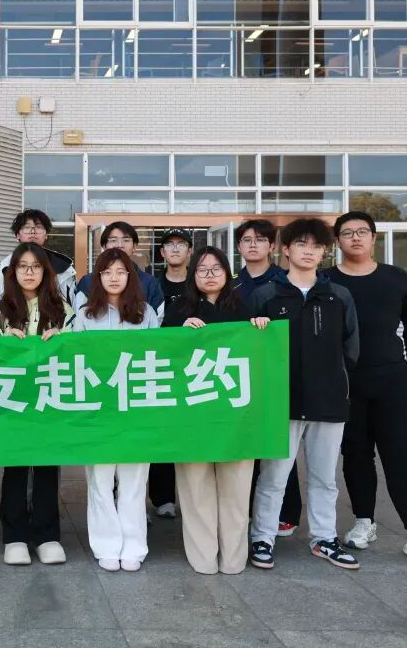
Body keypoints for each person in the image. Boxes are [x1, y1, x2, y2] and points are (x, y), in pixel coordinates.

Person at [329, 211, 407, 570]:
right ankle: (364, 522)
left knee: (400, 456)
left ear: (373, 238)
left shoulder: (396, 278)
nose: (355, 237)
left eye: (361, 232)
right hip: (347, 383)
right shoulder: (327, 281)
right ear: (337, 241)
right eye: (347, 233)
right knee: (355, 454)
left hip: (392, 381)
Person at [248, 218, 360, 571]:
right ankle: (262, 537)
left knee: (325, 477)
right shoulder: (266, 295)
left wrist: (334, 379)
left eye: (316, 246)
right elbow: (250, 349)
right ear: (285, 249)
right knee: (274, 477)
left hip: (329, 401)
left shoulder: (338, 295)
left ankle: (324, 537)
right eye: (301, 244)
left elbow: (351, 347)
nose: (309, 252)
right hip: (281, 402)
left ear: (324, 252)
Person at [163, 246, 264, 575]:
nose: (209, 275)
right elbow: (161, 355)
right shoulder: (179, 308)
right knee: (195, 489)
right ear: (193, 275)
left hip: (236, 418)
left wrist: (261, 327)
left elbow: (262, 354)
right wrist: (179, 333)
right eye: (202, 269)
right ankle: (203, 557)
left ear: (227, 273)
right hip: (192, 415)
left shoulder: (244, 307)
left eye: (216, 269)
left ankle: (234, 557)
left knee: (236, 490)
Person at [0, 242, 74, 566]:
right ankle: (14, 536)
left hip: (50, 398)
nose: (29, 272)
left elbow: (77, 351)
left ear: (45, 272)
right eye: (22, 266)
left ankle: (47, 534)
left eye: (36, 266)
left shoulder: (63, 309)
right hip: (12, 398)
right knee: (15, 466)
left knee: (47, 466)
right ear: (12, 271)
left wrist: (62, 341)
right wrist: (3, 342)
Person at [73, 247, 158, 572]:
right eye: (107, 272)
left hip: (136, 408)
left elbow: (158, 358)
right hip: (99, 410)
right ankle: (106, 545)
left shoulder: (146, 313)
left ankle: (134, 546)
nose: (114, 278)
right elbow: (75, 360)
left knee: (134, 481)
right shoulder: (85, 315)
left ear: (130, 277)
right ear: (98, 277)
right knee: (100, 480)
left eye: (121, 272)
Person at [233, 219, 302, 538]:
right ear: (238, 247)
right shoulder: (233, 285)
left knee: (279, 447)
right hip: (243, 377)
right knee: (248, 444)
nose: (253, 245)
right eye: (246, 240)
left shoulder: (286, 282)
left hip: (278, 374)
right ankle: (250, 511)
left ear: (273, 246)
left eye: (260, 240)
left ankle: (287, 512)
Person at [149, 227, 193, 520]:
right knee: (160, 434)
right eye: (169, 245)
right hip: (160, 368)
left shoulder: (199, 282)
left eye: (181, 244)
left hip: (194, 369)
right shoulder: (152, 285)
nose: (175, 249)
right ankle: (162, 498)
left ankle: (191, 499)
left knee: (188, 434)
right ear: (162, 252)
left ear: (189, 251)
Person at [0, 209, 76, 307]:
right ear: (17, 235)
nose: (33, 232)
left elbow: (72, 306)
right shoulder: (3, 269)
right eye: (27, 227)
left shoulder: (63, 268)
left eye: (38, 227)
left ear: (46, 234)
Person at [74, 221, 164, 313]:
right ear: (104, 246)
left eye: (126, 240)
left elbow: (157, 319)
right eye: (113, 240)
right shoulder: (88, 282)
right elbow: (80, 316)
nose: (119, 245)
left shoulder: (150, 283)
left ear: (134, 246)